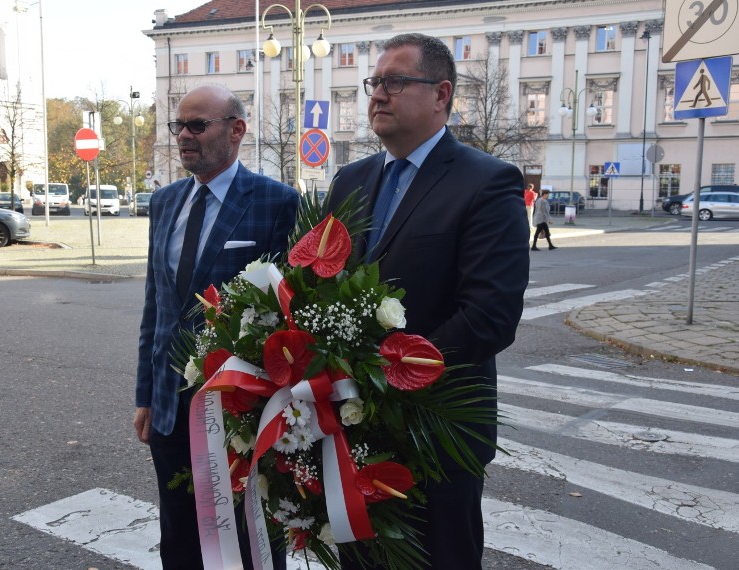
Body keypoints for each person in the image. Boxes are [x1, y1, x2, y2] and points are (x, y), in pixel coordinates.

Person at [327, 33, 529, 569]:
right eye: (374, 83)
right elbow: (319, 286)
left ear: (441, 94)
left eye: (395, 82)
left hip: (436, 434)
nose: (377, 95)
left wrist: (386, 377)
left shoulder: (487, 182)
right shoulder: (350, 180)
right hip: (349, 430)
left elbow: (490, 316)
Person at [134, 84, 299, 569]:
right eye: (178, 125)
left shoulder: (277, 202)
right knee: (180, 538)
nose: (184, 135)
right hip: (169, 409)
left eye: (197, 125)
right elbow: (156, 307)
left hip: (240, 413)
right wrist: (146, 394)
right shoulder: (164, 202)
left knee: (250, 545)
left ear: (236, 129)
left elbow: (290, 318)